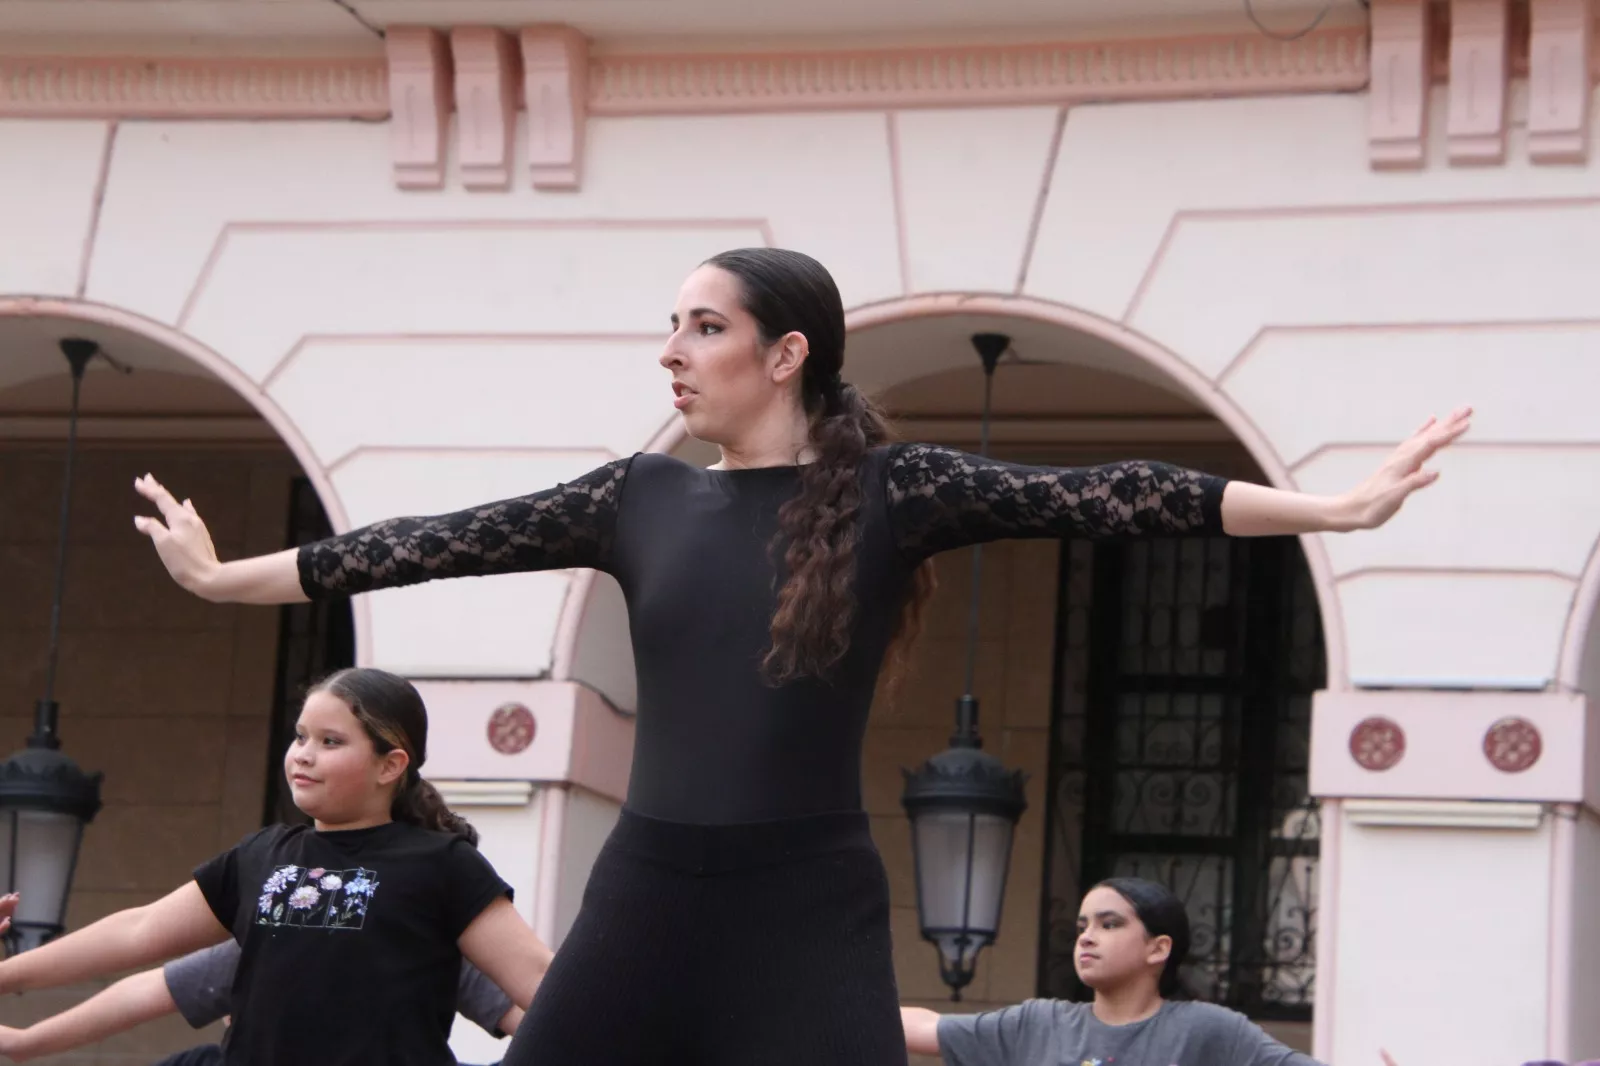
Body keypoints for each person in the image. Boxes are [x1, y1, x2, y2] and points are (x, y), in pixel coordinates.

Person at [131, 247, 1470, 1066]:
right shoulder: (633, 500)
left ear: (786, 354)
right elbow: (440, 539)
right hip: (647, 887)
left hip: (806, 904)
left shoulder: (900, 492)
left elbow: (1110, 491)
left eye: (702, 327)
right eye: (669, 326)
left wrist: (1332, 508)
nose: (671, 351)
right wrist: (228, 577)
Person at [0, 668, 550, 1066]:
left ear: (391, 764)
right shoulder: (261, 856)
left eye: (331, 742)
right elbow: (138, 931)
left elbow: (552, 991)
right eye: (301, 736)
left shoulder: (444, 866)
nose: (303, 754)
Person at [0, 892, 528, 1064]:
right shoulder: (292, 922)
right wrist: (24, 1043)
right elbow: (146, 965)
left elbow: (546, 1013)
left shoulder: (438, 942)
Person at [901, 877, 1361, 1066]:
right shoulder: (1038, 1024)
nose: (1086, 936)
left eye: (1110, 924)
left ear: (1158, 948)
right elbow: (925, 1027)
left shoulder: (1207, 1030)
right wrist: (833, 1006)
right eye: (1083, 925)